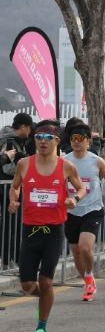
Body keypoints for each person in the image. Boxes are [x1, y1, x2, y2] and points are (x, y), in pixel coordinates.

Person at [8, 120, 86, 332]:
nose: (42, 142)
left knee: (46, 281)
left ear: (57, 141)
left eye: (47, 138)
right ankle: (45, 300)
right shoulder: (24, 164)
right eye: (38, 137)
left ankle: (41, 328)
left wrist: (74, 199)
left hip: (53, 231)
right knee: (27, 285)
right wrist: (13, 200)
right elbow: (14, 187)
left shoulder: (66, 166)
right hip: (30, 230)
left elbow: (81, 187)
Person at [63, 122, 105, 301]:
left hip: (93, 209)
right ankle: (87, 281)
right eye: (73, 138)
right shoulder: (64, 161)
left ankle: (89, 272)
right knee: (76, 251)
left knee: (85, 247)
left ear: (88, 141)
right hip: (72, 211)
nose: (76, 142)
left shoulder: (96, 160)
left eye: (80, 138)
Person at [0, 112, 33, 269]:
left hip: (11, 188)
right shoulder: (10, 142)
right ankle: (7, 260)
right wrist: (23, 166)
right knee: (9, 226)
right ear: (23, 126)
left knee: (12, 225)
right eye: (29, 128)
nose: (30, 132)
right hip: (8, 189)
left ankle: (10, 258)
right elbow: (8, 168)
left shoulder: (14, 140)